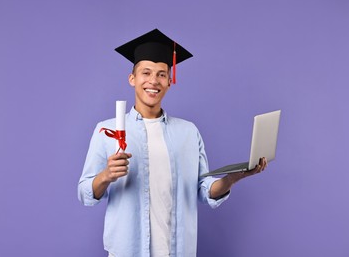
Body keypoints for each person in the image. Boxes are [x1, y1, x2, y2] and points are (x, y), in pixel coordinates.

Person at [78, 29, 267, 257]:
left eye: (161, 74)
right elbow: (85, 193)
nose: (153, 81)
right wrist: (106, 176)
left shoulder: (188, 132)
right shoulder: (105, 131)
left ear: (169, 80)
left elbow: (204, 190)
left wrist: (233, 178)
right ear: (132, 79)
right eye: (145, 73)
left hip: (178, 250)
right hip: (128, 250)